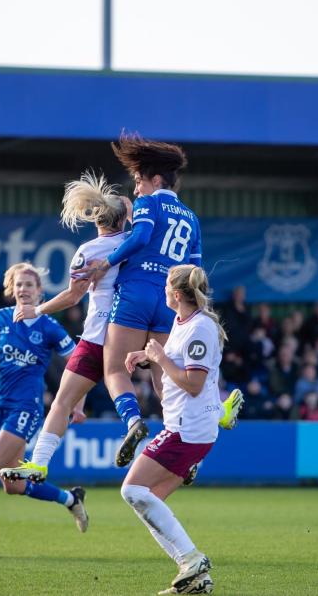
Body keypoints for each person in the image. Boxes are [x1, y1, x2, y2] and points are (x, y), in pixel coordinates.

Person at [0, 171, 130, 483]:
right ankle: (182, 443)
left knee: (62, 402)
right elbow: (127, 206)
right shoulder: (136, 242)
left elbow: (73, 296)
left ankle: (40, 463)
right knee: (163, 385)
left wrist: (36, 309)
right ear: (123, 218)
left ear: (95, 218)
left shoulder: (87, 252)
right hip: (132, 336)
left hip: (97, 336)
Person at [85, 133, 204, 468]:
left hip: (137, 291)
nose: (135, 190)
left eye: (138, 181)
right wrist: (193, 311)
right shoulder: (192, 218)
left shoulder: (149, 203)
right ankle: (182, 446)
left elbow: (140, 236)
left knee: (114, 369)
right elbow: (195, 269)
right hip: (171, 300)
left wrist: (104, 265)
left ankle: (133, 422)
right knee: (162, 376)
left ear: (155, 180)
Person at [0, 263, 87, 560]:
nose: (24, 289)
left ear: (40, 292)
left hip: (27, 408)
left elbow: (77, 364)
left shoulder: (49, 326)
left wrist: (77, 401)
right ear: (11, 290)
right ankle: (70, 498)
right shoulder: (1, 319)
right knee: (13, 486)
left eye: (30, 284)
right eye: (19, 284)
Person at [119, 265, 227, 595]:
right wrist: (150, 356)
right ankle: (194, 578)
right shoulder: (183, 323)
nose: (163, 290)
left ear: (177, 295)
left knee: (133, 491)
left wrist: (160, 358)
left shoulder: (201, 329)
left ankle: (191, 559)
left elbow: (193, 384)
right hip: (186, 426)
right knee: (151, 501)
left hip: (187, 429)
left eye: (166, 285)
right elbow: (178, 365)